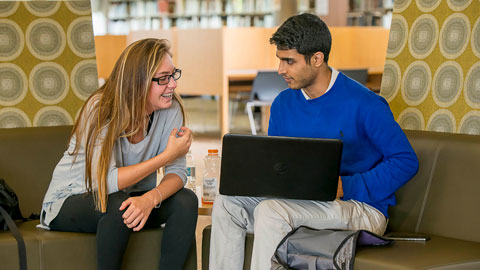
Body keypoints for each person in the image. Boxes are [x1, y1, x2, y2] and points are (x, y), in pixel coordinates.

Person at [209, 13, 419, 270]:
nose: (280, 70)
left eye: (289, 61)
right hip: (301, 202)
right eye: (279, 60)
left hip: (360, 207)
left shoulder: (365, 103)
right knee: (227, 202)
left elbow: (406, 161)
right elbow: (278, 165)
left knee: (270, 212)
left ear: (317, 58)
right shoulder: (283, 103)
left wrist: (346, 186)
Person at [39, 38, 198, 270]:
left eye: (174, 75)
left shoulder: (170, 108)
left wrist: (150, 198)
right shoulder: (100, 108)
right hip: (73, 199)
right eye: (163, 78)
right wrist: (164, 157)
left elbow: (178, 172)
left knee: (186, 201)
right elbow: (107, 183)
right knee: (118, 204)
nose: (172, 84)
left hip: (129, 198)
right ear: (138, 81)